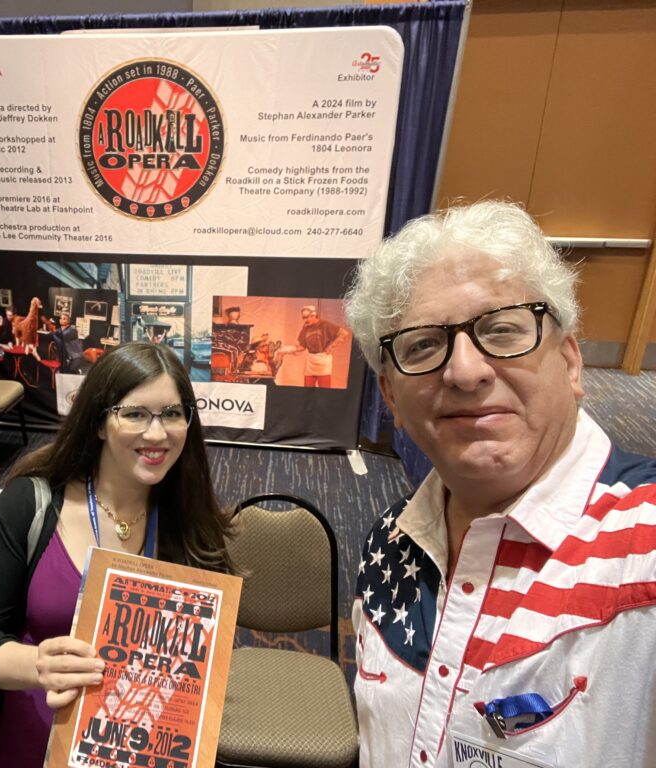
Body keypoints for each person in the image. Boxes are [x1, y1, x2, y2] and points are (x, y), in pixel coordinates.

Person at [343, 201, 656, 768]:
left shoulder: (643, 552)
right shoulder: (386, 543)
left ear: (570, 362)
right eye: (422, 345)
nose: (465, 371)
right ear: (391, 399)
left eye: (502, 330)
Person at [0, 341, 235, 767]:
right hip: (34, 745)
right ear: (100, 422)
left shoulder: (191, 516)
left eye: (172, 414)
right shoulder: (29, 506)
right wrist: (39, 664)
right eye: (135, 414)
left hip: (144, 746)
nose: (157, 434)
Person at [280, 303, 349, 387]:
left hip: (323, 360)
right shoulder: (305, 328)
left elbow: (343, 333)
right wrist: (287, 349)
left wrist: (331, 346)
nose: (305, 320)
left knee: (324, 389)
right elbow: (302, 347)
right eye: (303, 318)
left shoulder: (325, 324)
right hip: (311, 361)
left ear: (313, 315)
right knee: (307, 388)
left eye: (307, 317)